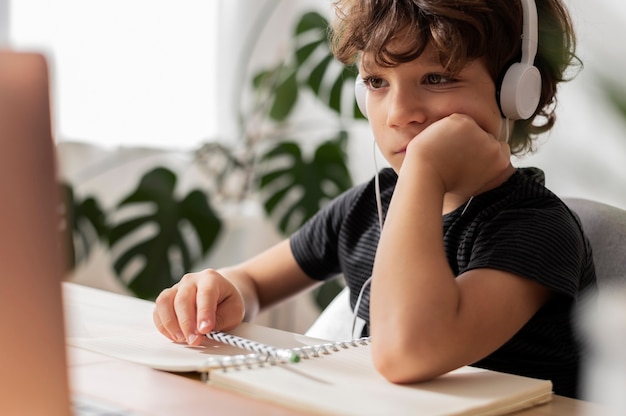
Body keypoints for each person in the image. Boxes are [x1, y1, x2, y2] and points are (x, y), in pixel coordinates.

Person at [153, 0, 596, 399]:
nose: (399, 112)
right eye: (377, 82)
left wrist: (424, 167)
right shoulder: (370, 205)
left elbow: (408, 352)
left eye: (437, 78)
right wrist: (220, 291)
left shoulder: (536, 228)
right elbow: (251, 285)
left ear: (518, 92)